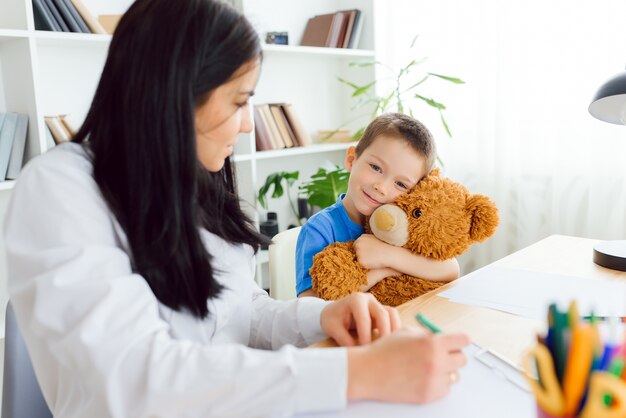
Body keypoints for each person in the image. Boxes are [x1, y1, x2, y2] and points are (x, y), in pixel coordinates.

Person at [3, 1, 470, 416]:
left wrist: (323, 316)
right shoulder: (61, 189)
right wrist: (356, 373)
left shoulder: (192, 184)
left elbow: (242, 314)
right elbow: (134, 386)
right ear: (175, 91)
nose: (249, 125)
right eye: (240, 102)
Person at [296, 113, 460, 298]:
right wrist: (383, 271)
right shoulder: (320, 228)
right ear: (352, 160)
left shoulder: (405, 226)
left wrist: (388, 256)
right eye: (376, 168)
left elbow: (451, 268)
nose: (381, 188)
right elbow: (310, 302)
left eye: (401, 184)